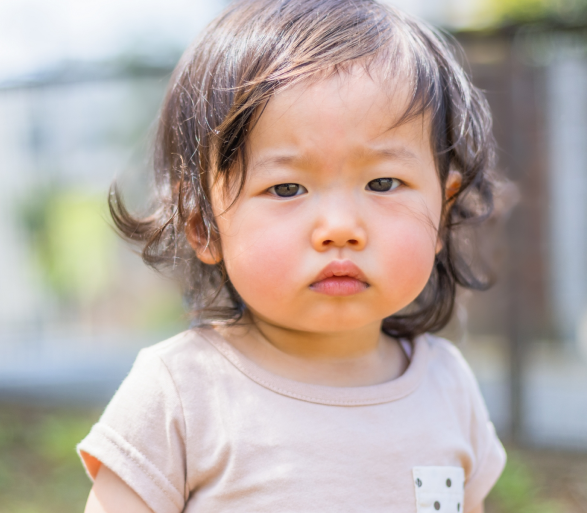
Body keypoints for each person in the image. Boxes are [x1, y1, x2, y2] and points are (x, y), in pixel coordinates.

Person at [77, 0, 507, 511]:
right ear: (203, 226)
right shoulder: (179, 395)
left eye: (383, 183)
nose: (340, 228)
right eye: (286, 188)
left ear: (443, 209)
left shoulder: (447, 387)